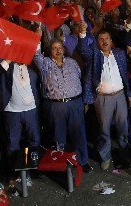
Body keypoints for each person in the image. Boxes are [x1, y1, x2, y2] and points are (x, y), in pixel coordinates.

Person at [33, 37, 93, 173]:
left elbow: (79, 78)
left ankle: (83, 161)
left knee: (79, 134)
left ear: (64, 49)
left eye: (60, 47)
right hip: (56, 106)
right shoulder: (45, 64)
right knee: (59, 137)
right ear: (50, 51)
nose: (58, 50)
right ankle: (61, 164)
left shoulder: (72, 62)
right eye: (54, 48)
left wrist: (83, 100)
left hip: (75, 103)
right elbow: (36, 56)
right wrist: (37, 37)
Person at [80, 24, 131, 170]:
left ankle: (124, 151)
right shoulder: (95, 55)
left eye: (107, 39)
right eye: (101, 39)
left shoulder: (119, 54)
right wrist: (83, 33)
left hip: (120, 95)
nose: (104, 42)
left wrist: (128, 94)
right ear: (97, 42)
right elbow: (84, 50)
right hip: (102, 98)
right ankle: (105, 157)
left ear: (111, 41)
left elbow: (125, 77)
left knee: (123, 126)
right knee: (104, 128)